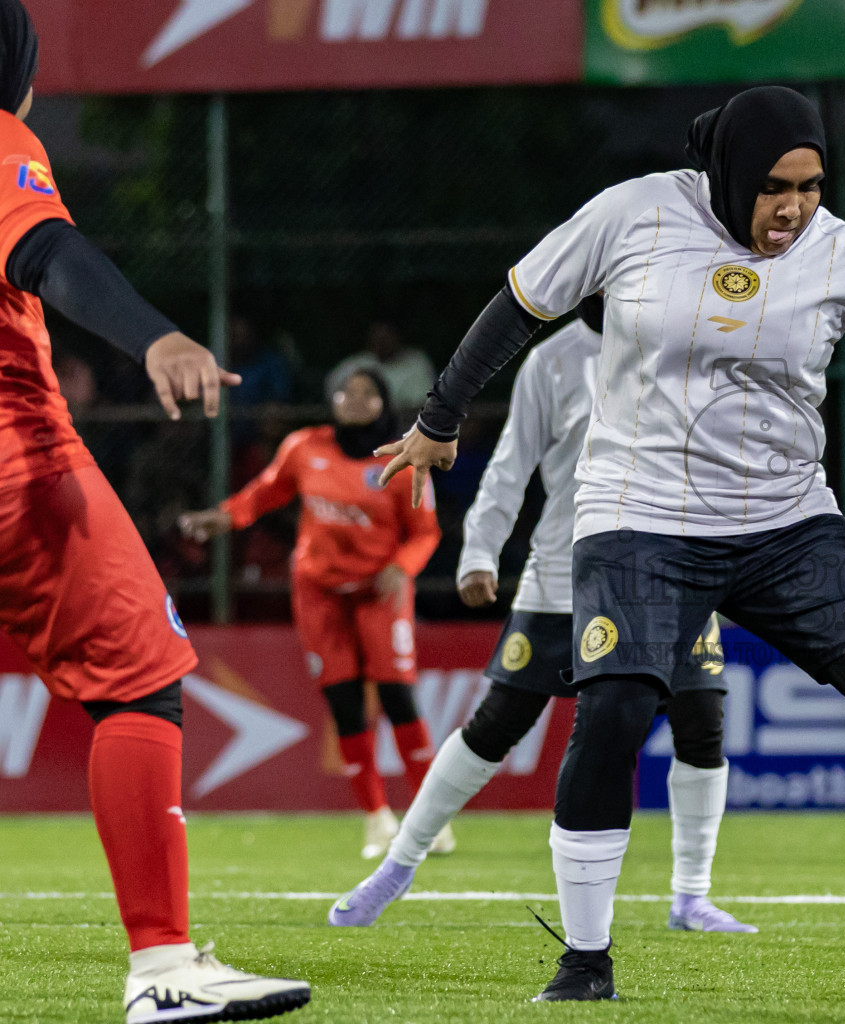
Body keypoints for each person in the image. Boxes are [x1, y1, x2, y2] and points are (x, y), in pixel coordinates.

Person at [376, 86, 845, 1001]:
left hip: (787, 522)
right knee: (619, 711)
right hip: (637, 517)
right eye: (773, 186)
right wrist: (439, 417)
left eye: (812, 185)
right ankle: (585, 961)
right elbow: (517, 305)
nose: (793, 207)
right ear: (729, 174)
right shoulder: (633, 213)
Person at [0, 3, 310, 1019]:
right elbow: (47, 252)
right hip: (20, 475)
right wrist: (157, 337)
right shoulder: (0, 138)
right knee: (141, 684)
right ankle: (163, 968)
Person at [329, 295, 755, 934]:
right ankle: (397, 864)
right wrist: (479, 551)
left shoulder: (682, 346)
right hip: (565, 571)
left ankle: (691, 896)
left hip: (674, 570)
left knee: (702, 723)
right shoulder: (549, 363)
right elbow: (509, 468)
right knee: (496, 724)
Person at [180, 369, 445, 859]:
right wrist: (223, 517)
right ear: (332, 398)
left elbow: (426, 531)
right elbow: (265, 493)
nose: (355, 398)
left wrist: (401, 568)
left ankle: (432, 816)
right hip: (320, 593)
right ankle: (375, 818)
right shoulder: (304, 447)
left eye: (368, 393)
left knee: (397, 698)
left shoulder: (404, 458)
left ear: (383, 405)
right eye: (346, 389)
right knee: (344, 702)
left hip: (378, 591)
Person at [326, 319, 436, 411]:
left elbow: (425, 404)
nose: (382, 343)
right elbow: (334, 397)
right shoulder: (355, 364)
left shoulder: (416, 362)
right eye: (378, 337)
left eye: (386, 337)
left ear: (397, 337)